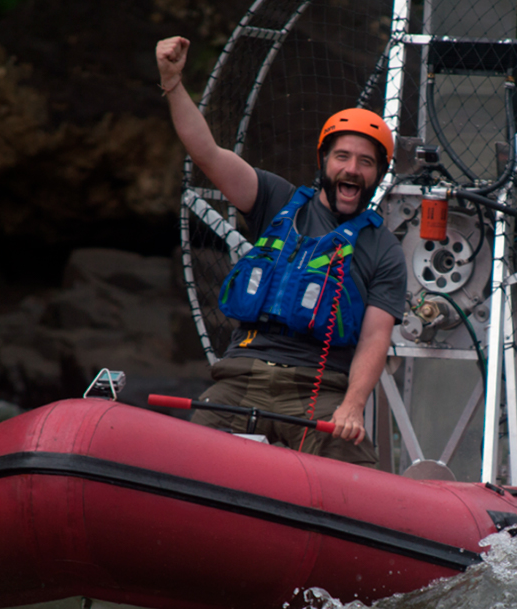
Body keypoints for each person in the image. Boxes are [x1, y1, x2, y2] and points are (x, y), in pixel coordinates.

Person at [156, 36, 408, 468]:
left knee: (357, 471)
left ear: (379, 173)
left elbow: (374, 338)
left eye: (365, 162)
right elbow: (207, 153)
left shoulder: (384, 250)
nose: (351, 169)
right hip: (242, 376)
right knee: (182, 462)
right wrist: (173, 84)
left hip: (318, 390)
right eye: (342, 157)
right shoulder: (275, 199)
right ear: (323, 161)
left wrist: (352, 406)